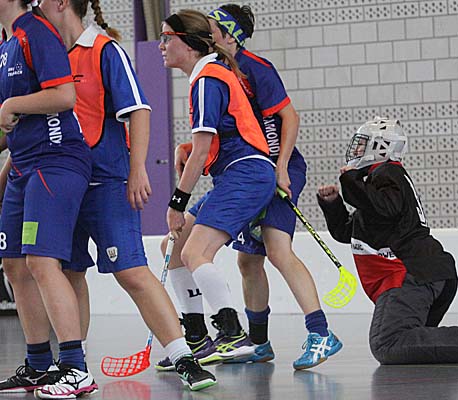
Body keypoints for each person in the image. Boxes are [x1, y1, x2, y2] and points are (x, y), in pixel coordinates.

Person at [31, 0, 216, 392]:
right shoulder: (45, 55)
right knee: (69, 272)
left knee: (131, 271)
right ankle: (73, 365)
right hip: (61, 185)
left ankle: (184, 357)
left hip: (106, 182)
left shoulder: (104, 50)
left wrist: (137, 169)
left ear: (62, 3)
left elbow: (139, 110)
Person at [155, 3, 342, 371]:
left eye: (212, 29)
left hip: (270, 168)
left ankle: (318, 332)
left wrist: (282, 168)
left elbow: (289, 118)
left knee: (277, 250)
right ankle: (247, 341)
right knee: (239, 259)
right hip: (243, 169)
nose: (208, 34)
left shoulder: (251, 69)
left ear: (229, 37)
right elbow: (231, 129)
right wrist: (190, 148)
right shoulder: (219, 70)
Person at [317, 117, 458, 364]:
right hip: (427, 274)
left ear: (381, 147)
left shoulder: (388, 173)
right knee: (410, 342)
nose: (357, 150)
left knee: (387, 342)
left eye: (363, 144)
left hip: (410, 275)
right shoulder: (378, 187)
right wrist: (333, 205)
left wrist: (351, 180)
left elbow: (385, 208)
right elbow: (350, 232)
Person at [157, 6, 277, 369]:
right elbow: (216, 140)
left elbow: (204, 150)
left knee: (195, 252)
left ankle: (233, 333)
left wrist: (177, 202)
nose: (161, 45)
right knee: (174, 248)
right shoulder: (208, 74)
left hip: (246, 173)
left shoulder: (208, 78)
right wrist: (189, 149)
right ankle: (196, 338)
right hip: (235, 174)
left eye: (167, 38)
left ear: (189, 44)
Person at [0, 0, 95, 397]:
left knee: (41, 261)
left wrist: (11, 105)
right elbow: (9, 124)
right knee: (14, 265)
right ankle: (39, 364)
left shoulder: (35, 32)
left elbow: (64, 96)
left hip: (54, 162)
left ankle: (75, 367)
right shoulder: (6, 43)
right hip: (23, 167)